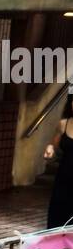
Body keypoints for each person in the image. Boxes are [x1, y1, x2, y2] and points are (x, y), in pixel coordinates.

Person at [44, 88, 73, 230]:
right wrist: (50, 149)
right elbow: (53, 146)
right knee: (57, 215)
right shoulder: (63, 124)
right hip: (64, 176)